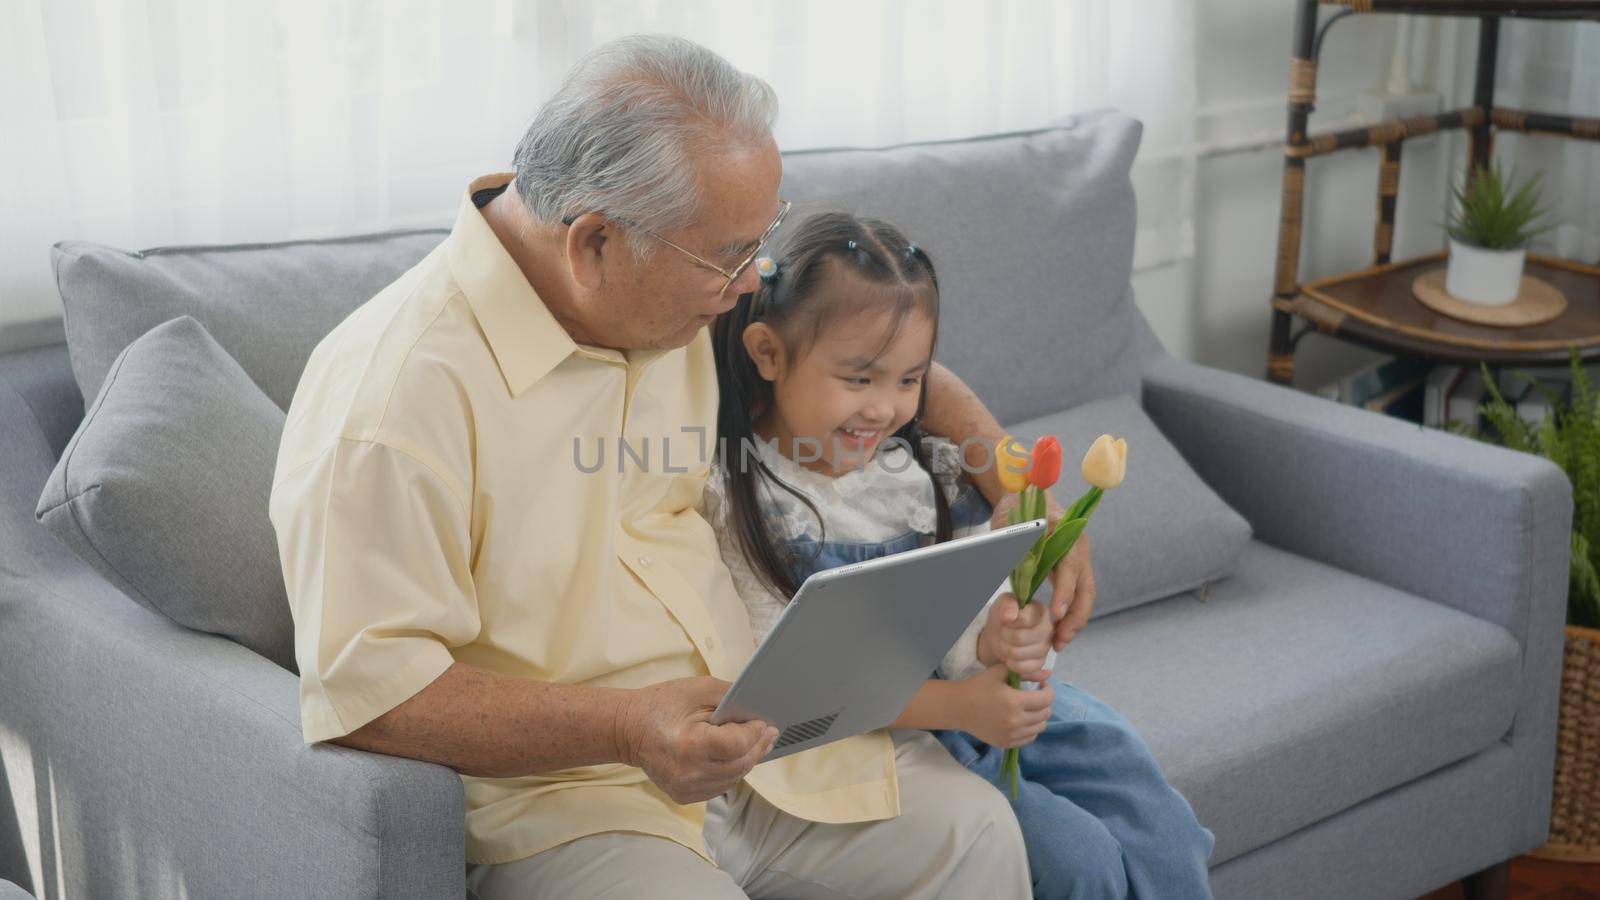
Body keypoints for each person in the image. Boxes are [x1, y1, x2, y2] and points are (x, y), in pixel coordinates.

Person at [270, 34, 1098, 899]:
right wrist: (628, 727)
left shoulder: (675, 291)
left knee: (975, 837)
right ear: (593, 245)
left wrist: (1019, 487)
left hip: (770, 752)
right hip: (573, 802)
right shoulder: (394, 400)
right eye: (731, 257)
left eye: (762, 240)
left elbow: (876, 364)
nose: (752, 283)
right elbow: (375, 694)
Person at [705, 211, 1217, 899]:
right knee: (1078, 860)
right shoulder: (745, 499)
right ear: (768, 354)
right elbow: (795, 684)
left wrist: (1007, 633)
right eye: (859, 380)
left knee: (1165, 828)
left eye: (908, 380)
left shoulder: (930, 469)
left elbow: (980, 613)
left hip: (995, 707)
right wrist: (962, 704)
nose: (886, 407)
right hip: (912, 730)